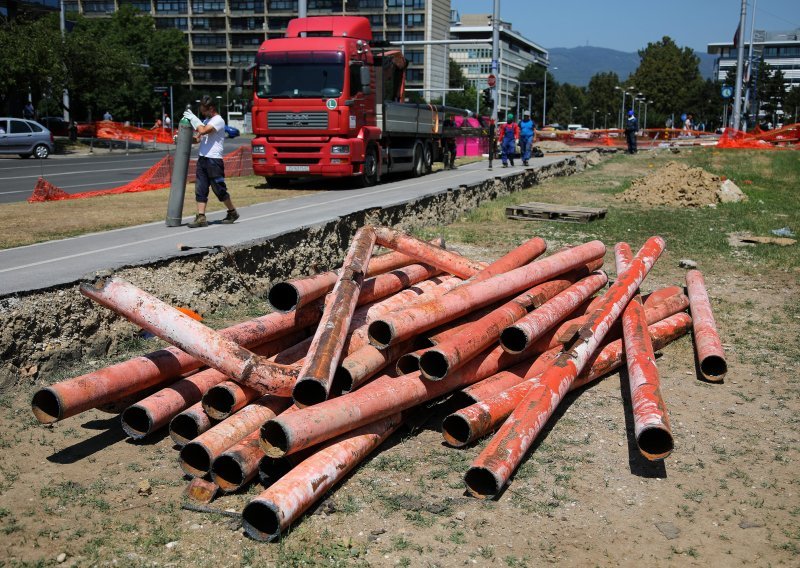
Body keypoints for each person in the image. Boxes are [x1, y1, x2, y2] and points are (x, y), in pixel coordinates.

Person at [183, 95, 239, 228]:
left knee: (219, 189)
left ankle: (232, 212)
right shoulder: (207, 120)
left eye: (204, 110)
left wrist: (194, 119)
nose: (202, 113)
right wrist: (183, 139)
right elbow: (198, 138)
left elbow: (202, 130)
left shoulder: (218, 120)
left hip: (214, 160)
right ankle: (201, 217)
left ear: (211, 108)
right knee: (200, 188)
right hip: (203, 158)